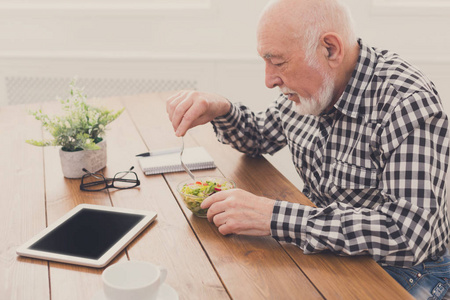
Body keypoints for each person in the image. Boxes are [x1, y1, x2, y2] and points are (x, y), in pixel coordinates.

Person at [166, 0, 450, 298]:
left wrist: (273, 217)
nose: (268, 80)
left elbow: (406, 234)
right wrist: (221, 108)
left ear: (330, 49)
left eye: (278, 62)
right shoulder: (311, 91)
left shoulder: (406, 102)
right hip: (327, 251)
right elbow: (259, 136)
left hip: (407, 272)